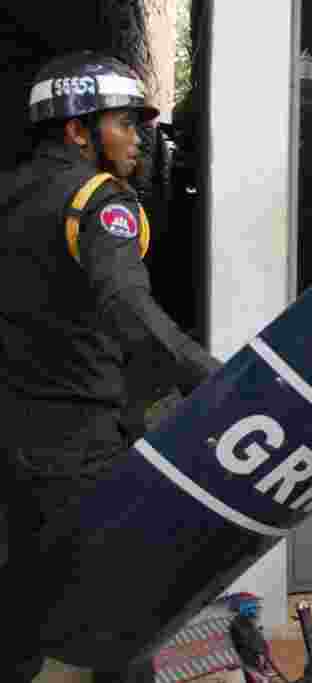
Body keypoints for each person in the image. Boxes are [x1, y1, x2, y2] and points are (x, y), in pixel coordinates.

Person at [0, 51, 222, 681]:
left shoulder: (7, 193)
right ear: (78, 130)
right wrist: (214, 377)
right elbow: (128, 308)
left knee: (20, 607)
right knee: (124, 617)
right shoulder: (101, 202)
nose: (138, 138)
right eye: (126, 122)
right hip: (83, 455)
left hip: (13, 447)